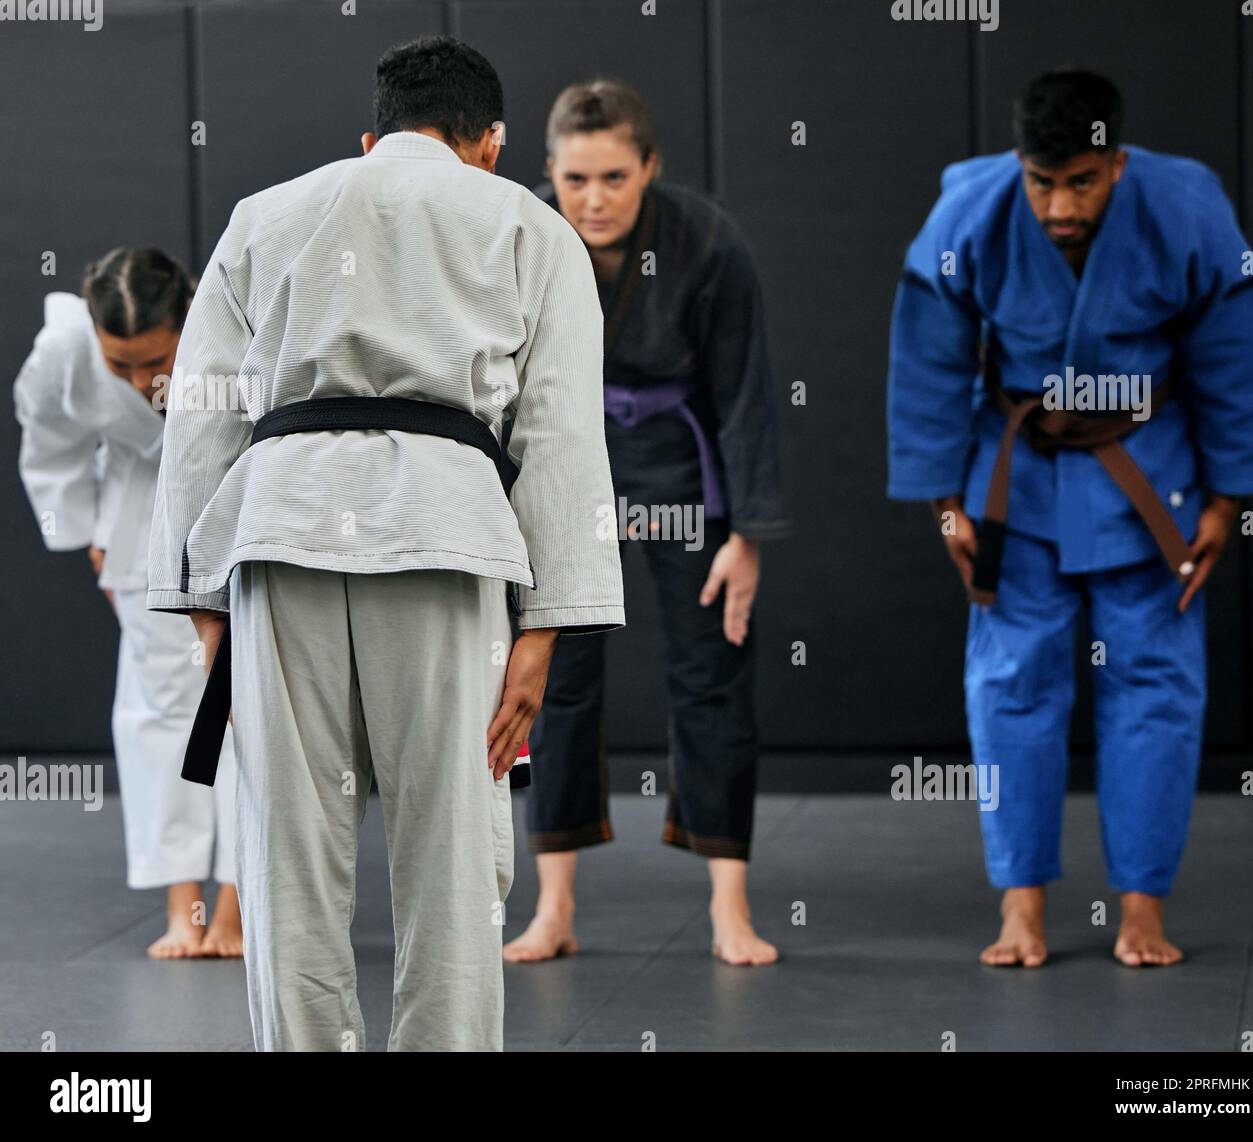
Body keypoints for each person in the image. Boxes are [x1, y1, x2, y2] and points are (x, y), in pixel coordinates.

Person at [146, 35, 624, 1051]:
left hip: (281, 535)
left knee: (286, 855)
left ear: (369, 137)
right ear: (489, 144)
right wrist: (542, 631)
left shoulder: (263, 217)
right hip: (443, 542)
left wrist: (201, 604)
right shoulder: (529, 228)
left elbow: (199, 415)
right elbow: (563, 436)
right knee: (451, 852)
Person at [887, 69, 1253, 968]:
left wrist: (1226, 499)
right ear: (1020, 167)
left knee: (1156, 686)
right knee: (1010, 686)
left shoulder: (1185, 205)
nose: (1059, 205)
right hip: (1016, 479)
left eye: (1082, 181)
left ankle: (1143, 904)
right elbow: (930, 357)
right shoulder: (971, 211)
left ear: (1117, 160)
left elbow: (1234, 352)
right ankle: (1020, 902)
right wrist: (947, 501)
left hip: (1153, 482)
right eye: (1042, 182)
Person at [503, 80, 791, 968]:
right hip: (563, 469)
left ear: (650, 169)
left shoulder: (707, 242)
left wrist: (746, 533)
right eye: (577, 178)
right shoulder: (520, 238)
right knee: (552, 681)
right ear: (548, 169)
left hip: (679, 467)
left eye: (616, 178)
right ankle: (551, 908)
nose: (594, 199)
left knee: (712, 678)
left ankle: (728, 908)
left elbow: (745, 392)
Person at [13, 248, 241, 959]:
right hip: (138, 520)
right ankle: (187, 910)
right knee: (163, 709)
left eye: (158, 360)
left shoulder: (233, 320)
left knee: (245, 705)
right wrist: (80, 528)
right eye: (122, 367)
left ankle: (239, 903)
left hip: (235, 509)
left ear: (187, 318)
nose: (145, 381)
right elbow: (49, 440)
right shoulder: (64, 350)